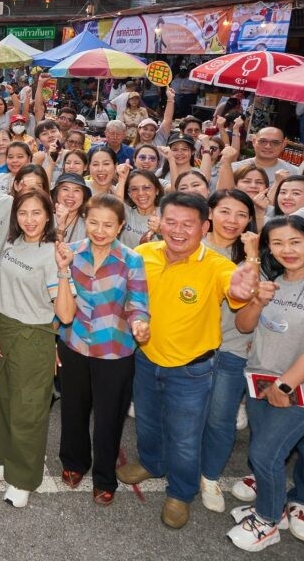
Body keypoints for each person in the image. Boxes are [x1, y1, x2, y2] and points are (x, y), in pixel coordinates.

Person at [116, 191, 257, 529]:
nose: (178, 231)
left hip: (191, 370)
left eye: (188, 224)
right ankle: (151, 463)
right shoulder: (143, 253)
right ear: (160, 222)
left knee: (184, 436)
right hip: (146, 360)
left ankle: (180, 492)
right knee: (147, 423)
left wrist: (244, 284)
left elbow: (236, 291)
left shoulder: (219, 266)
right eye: (171, 222)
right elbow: (125, 296)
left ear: (204, 226)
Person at [224, 216, 304, 552]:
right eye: (277, 243)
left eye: (295, 242)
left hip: (301, 392)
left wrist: (283, 386)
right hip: (260, 382)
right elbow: (244, 326)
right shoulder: (273, 280)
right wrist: (257, 300)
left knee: (265, 455)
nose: (286, 250)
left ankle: (267, 522)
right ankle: (271, 508)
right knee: (266, 453)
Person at [55, 194, 149, 505]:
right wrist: (55, 338)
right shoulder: (72, 254)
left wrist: (140, 323)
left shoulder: (131, 260)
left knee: (110, 418)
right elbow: (60, 298)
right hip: (75, 344)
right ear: (84, 221)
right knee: (73, 410)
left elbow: (138, 303)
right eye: (93, 222)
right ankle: (73, 462)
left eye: (108, 224)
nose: (99, 229)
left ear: (120, 226)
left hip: (115, 351)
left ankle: (104, 477)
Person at [0, 189, 71, 507]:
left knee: (27, 410)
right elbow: (1, 286)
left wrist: (62, 270)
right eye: (23, 213)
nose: (29, 220)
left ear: (48, 216)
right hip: (3, 327)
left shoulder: (53, 252)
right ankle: (3, 456)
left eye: (37, 213)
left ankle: (24, 478)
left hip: (32, 337)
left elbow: (65, 314)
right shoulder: (13, 243)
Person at [196, 190, 257, 512]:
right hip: (190, 346)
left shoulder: (253, 254)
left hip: (232, 348)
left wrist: (253, 254)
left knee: (220, 419)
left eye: (241, 214)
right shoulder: (192, 244)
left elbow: (256, 304)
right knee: (186, 415)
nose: (232, 221)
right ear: (210, 212)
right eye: (225, 211)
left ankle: (210, 476)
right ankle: (183, 468)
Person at [231, 127, 297, 185]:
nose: (268, 146)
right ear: (254, 142)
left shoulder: (294, 172)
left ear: (283, 145)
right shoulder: (234, 169)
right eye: (263, 141)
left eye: (275, 143)